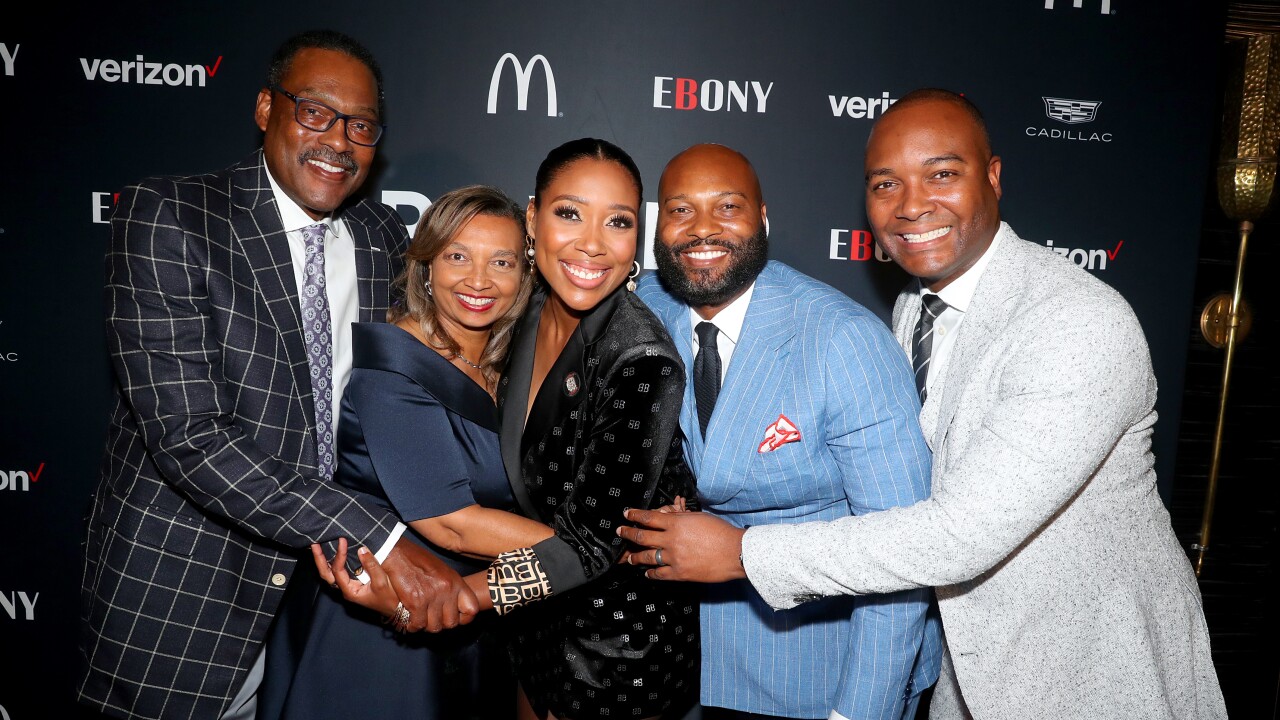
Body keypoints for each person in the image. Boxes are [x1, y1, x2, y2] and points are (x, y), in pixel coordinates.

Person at [619, 89, 1229, 719]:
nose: (912, 205)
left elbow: (958, 534)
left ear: (993, 178)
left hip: (1090, 679)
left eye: (942, 174)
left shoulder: (1077, 323)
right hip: (961, 677)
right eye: (887, 184)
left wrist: (744, 553)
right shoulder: (917, 305)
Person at [77, 29, 476, 720]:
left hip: (331, 611)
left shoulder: (383, 237)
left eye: (361, 126)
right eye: (314, 112)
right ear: (266, 109)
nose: (338, 141)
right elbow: (190, 438)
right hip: (186, 599)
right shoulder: (171, 215)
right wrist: (380, 535)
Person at [319, 137, 701, 720]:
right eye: (570, 213)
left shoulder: (640, 358)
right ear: (533, 219)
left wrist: (457, 595)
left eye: (617, 222)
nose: (591, 243)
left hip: (611, 648)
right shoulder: (529, 312)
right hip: (530, 624)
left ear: (638, 237)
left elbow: (590, 545)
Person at [632, 143, 940, 720]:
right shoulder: (643, 306)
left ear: (763, 218)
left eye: (727, 207)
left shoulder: (843, 341)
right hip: (682, 666)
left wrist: (858, 713)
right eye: (680, 210)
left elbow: (904, 554)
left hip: (819, 673)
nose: (702, 229)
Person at [256, 185, 539, 720]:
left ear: (524, 276)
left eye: (501, 261)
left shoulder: (513, 364)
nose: (479, 280)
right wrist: (591, 552)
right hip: (381, 630)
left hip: (473, 608)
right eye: (457, 256)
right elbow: (453, 525)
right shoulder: (393, 366)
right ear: (426, 265)